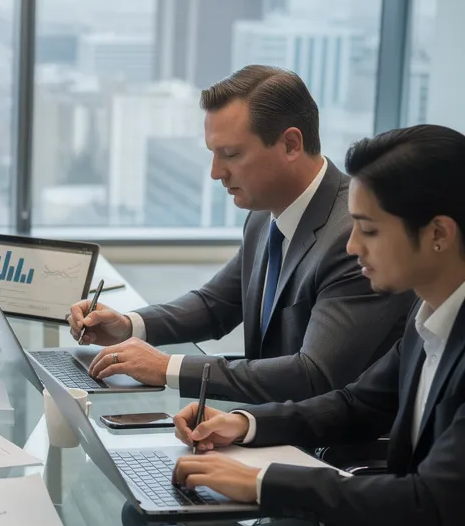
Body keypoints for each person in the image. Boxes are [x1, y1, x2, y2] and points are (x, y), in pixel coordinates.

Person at [170, 125, 465, 526]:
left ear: (438, 233)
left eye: (368, 230)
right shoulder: (429, 314)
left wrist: (263, 481)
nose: (352, 247)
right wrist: (246, 424)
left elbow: (430, 501)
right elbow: (358, 403)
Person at [69, 65, 414, 404]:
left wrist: (167, 367)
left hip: (331, 435)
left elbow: (313, 374)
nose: (215, 172)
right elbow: (215, 305)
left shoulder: (355, 238)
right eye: (212, 153)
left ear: (291, 144)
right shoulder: (264, 214)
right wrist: (129, 325)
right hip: (265, 422)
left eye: (231, 154)